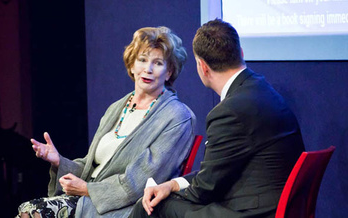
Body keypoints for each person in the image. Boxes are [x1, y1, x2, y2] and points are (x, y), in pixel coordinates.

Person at [129, 19, 305, 218]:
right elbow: (216, 174)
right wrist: (172, 185)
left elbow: (205, 190)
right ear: (241, 53)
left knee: (151, 207)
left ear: (202, 67)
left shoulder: (230, 111)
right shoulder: (260, 89)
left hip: (251, 212)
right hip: (272, 205)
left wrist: (173, 192)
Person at [16, 26, 196, 218]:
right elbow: (92, 169)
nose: (148, 69)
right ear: (132, 65)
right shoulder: (117, 107)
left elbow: (144, 179)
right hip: (88, 199)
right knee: (26, 210)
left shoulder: (177, 116)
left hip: (123, 208)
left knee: (30, 211)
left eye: (158, 63)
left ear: (169, 72)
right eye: (142, 60)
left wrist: (87, 190)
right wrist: (59, 160)